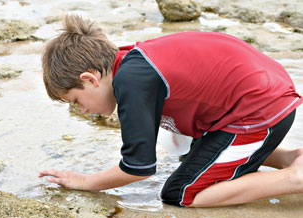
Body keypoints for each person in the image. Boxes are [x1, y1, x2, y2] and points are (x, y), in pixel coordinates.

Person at [38, 14, 303, 207]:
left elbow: (138, 167)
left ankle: (294, 178)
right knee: (188, 156)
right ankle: (291, 158)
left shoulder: (130, 82)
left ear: (90, 79)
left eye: (75, 101)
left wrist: (85, 181)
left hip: (259, 109)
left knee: (181, 193)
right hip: (261, 94)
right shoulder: (131, 60)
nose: (82, 110)